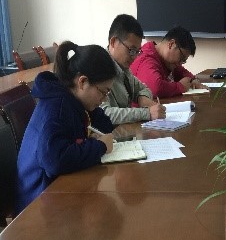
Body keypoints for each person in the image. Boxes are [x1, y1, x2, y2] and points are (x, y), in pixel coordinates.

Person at [15, 42, 117, 213]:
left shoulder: (73, 99)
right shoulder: (58, 107)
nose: (104, 99)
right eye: (103, 92)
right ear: (82, 81)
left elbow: (105, 125)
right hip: (37, 205)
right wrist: (99, 146)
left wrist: (93, 123)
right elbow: (55, 161)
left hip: (56, 191)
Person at [101, 14, 166, 124]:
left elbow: (143, 88)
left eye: (137, 51)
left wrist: (142, 97)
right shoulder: (98, 68)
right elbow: (104, 113)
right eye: (131, 50)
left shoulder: (123, 69)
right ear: (113, 42)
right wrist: (147, 113)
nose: (135, 57)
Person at [129, 26, 206, 98]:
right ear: (171, 44)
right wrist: (180, 87)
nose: (180, 63)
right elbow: (155, 89)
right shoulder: (147, 58)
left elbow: (181, 71)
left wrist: (193, 80)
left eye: (183, 61)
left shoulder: (167, 60)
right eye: (181, 58)